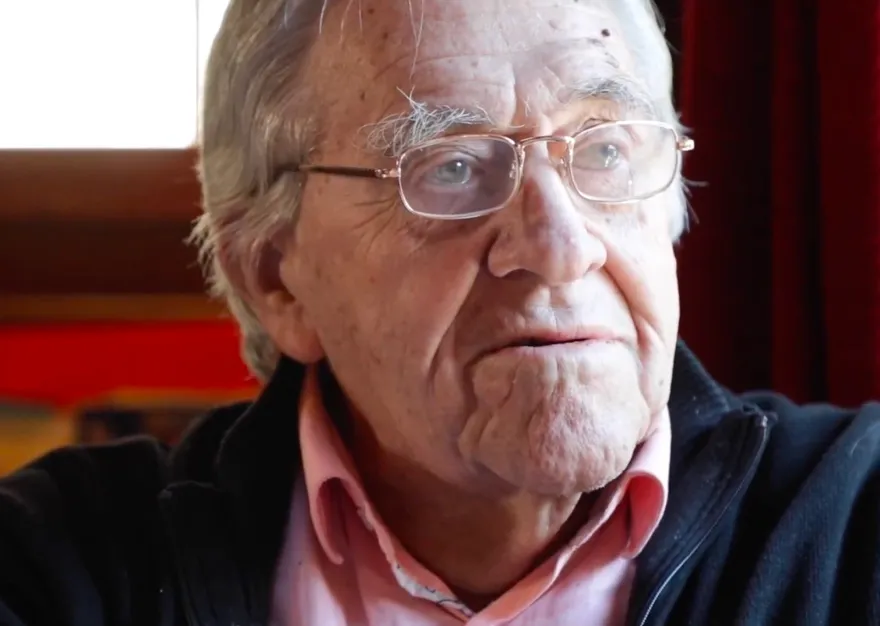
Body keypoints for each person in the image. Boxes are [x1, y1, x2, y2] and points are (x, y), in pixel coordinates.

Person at [1, 0, 878, 624]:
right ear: (276, 276)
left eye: (605, 149)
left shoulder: (857, 526)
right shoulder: (59, 568)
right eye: (451, 167)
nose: (561, 245)